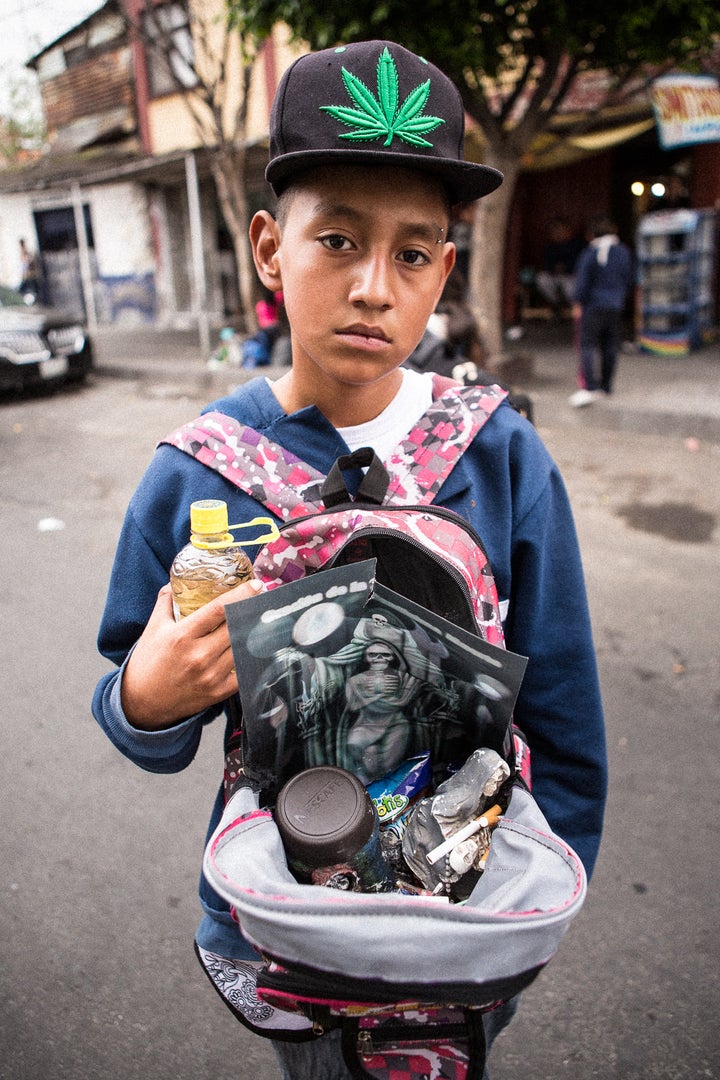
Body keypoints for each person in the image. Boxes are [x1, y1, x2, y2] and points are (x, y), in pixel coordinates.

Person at [92, 40, 607, 1079]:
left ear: (444, 271)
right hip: (293, 929)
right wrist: (146, 701)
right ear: (270, 248)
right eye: (337, 240)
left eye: (413, 254)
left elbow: (564, 708)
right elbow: (136, 704)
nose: (375, 287)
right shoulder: (198, 476)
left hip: (467, 923)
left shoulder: (501, 455)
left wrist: (530, 913)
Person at [570, 213, 633, 407]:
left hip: (593, 305)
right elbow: (629, 278)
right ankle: (606, 385)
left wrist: (577, 303)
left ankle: (590, 385)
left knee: (588, 345)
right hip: (615, 304)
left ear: (591, 234)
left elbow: (582, 283)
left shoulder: (590, 254)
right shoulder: (623, 252)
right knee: (610, 346)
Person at [534, 216, 585, 316]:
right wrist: (554, 268)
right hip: (555, 277)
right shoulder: (550, 247)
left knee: (571, 286)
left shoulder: (578, 244)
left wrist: (566, 267)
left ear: (568, 230)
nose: (557, 233)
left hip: (571, 277)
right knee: (541, 278)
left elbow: (580, 264)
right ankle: (556, 305)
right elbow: (547, 264)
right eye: (554, 231)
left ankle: (574, 308)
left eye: (560, 230)